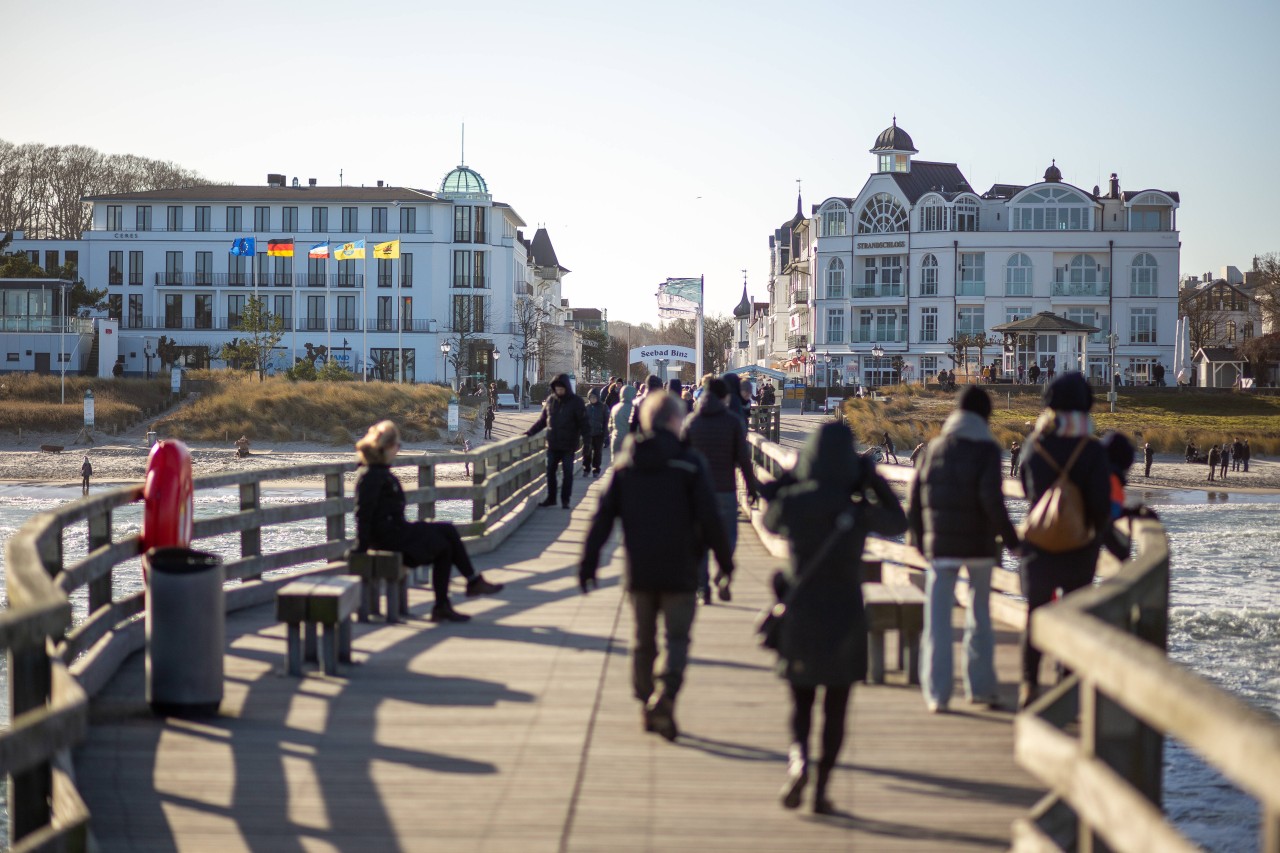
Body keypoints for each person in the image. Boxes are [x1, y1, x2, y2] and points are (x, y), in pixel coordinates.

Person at [764, 421, 907, 814]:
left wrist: (793, 477)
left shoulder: (797, 501)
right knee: (836, 708)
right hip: (845, 612)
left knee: (802, 700)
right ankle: (822, 787)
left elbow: (769, 520)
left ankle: (798, 761)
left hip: (802, 611)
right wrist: (872, 479)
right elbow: (898, 522)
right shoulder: (856, 508)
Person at [580, 392, 734, 742]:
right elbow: (711, 518)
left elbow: (603, 519)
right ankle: (664, 696)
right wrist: (725, 565)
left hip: (640, 569)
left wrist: (589, 563)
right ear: (676, 422)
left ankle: (645, 699)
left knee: (643, 641)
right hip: (681, 568)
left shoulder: (626, 464)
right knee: (677, 638)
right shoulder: (691, 463)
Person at [908, 386, 1019, 713]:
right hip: (978, 546)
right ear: (984, 415)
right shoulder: (987, 449)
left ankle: (937, 694)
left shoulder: (935, 447)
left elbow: (915, 497)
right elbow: (992, 500)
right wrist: (1012, 542)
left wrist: (918, 540)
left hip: (940, 548)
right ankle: (980, 688)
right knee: (979, 617)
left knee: (937, 621)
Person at [1017, 373, 1110, 709]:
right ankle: (1066, 685)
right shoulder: (1091, 448)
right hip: (1078, 550)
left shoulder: (1035, 444)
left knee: (1036, 614)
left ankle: (1029, 683)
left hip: (1039, 544)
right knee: (1073, 616)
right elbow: (1101, 503)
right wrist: (1094, 535)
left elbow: (1026, 488)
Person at [352, 420, 503, 623]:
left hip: (397, 530)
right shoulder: (371, 475)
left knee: (447, 531)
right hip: (388, 537)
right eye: (397, 445)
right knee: (443, 547)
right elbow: (363, 513)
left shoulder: (379, 471)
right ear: (386, 447)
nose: (398, 449)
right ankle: (450, 599)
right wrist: (361, 547)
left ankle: (463, 589)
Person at [683, 377, 760, 605]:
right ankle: (724, 572)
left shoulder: (690, 423)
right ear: (724, 397)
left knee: (700, 542)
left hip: (698, 494)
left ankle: (702, 588)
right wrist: (751, 488)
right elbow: (744, 460)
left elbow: (682, 459)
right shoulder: (733, 422)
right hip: (726, 489)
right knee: (729, 537)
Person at [526, 374, 589, 509]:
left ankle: (565, 500)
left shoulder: (576, 402)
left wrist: (587, 444)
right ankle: (551, 498)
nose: (559, 391)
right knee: (550, 472)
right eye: (557, 388)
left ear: (566, 388)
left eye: (561, 388)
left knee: (567, 473)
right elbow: (542, 421)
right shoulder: (551, 401)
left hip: (568, 444)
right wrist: (530, 433)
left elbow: (584, 424)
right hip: (553, 444)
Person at [583, 389, 608, 478]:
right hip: (588, 433)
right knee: (587, 452)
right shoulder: (587, 407)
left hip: (599, 433)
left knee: (597, 452)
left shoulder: (603, 407)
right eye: (591, 397)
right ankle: (586, 468)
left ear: (598, 397)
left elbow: (606, 421)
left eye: (594, 397)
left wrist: (605, 433)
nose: (593, 399)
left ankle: (596, 469)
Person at [610, 383, 637, 456]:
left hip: (616, 439)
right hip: (629, 441)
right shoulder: (634, 408)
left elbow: (610, 425)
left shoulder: (615, 408)